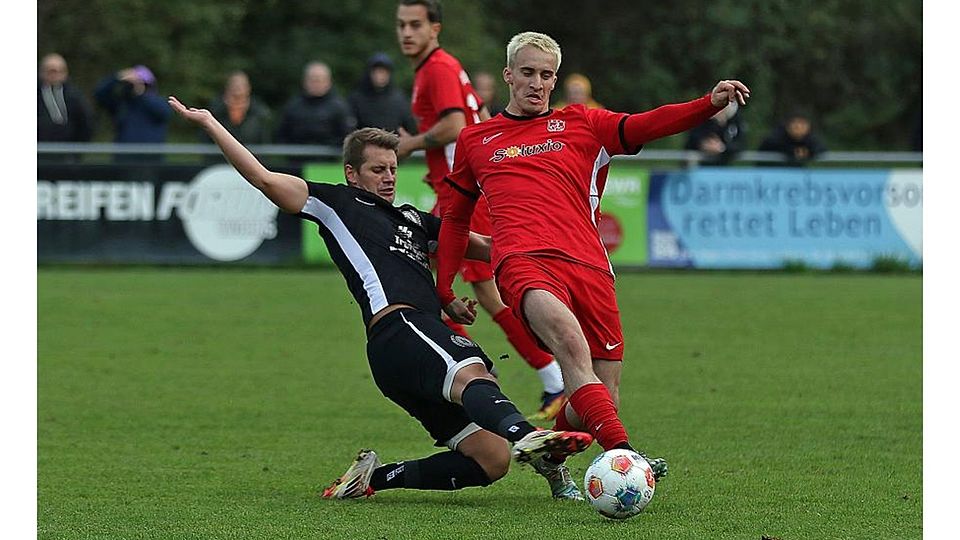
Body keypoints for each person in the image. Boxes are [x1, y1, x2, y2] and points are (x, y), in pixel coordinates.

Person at [167, 96, 594, 501]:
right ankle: (529, 437)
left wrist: (543, 240)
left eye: (392, 168)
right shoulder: (335, 202)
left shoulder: (411, 219)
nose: (389, 177)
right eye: (377, 169)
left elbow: (475, 242)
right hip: (399, 330)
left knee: (491, 460)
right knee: (473, 373)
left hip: (410, 345)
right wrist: (210, 123)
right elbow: (263, 178)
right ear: (353, 173)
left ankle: (373, 478)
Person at [434, 31, 751, 499]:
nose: (536, 83)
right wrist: (444, 290)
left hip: (590, 268)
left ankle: (552, 457)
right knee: (568, 343)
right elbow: (455, 220)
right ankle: (626, 457)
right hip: (522, 262)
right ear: (508, 75)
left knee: (599, 398)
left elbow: (648, 124)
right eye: (527, 72)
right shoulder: (478, 139)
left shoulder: (582, 123)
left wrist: (708, 103)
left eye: (546, 75)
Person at [396, 0, 568, 424]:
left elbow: (457, 125)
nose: (406, 33)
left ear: (435, 28)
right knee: (466, 288)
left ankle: (498, 372)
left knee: (444, 284)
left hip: (465, 193)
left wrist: (412, 144)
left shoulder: (437, 69)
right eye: (401, 25)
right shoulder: (437, 67)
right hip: (465, 187)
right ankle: (539, 373)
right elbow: (483, 118)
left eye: (415, 24)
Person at [275, 61, 356, 149]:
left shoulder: (340, 107)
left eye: (320, 80)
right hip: (298, 160)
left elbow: (347, 136)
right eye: (313, 80)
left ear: (329, 81)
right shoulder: (292, 106)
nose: (316, 84)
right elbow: (281, 134)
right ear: (305, 81)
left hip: (329, 160)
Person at [94, 64, 171, 144]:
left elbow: (164, 113)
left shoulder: (157, 102)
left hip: (150, 153)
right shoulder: (122, 104)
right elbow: (100, 94)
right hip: (124, 153)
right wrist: (117, 77)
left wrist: (141, 94)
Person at [348, 52, 418, 134]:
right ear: (369, 73)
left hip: (393, 144)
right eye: (377, 72)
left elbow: (409, 127)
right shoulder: (356, 99)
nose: (380, 76)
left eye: (384, 72)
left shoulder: (399, 99)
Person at [37, 53, 94, 144]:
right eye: (50, 71)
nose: (53, 75)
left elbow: (85, 122)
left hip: (68, 151)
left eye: (57, 71)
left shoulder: (74, 96)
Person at [205, 70, 272, 145]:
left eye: (241, 85)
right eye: (234, 84)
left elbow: (265, 139)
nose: (237, 88)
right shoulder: (215, 110)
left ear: (248, 88)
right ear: (227, 87)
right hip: (219, 154)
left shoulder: (259, 112)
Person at [684, 101, 745, 165]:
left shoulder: (735, 122)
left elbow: (740, 144)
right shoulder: (700, 119)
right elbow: (691, 139)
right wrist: (703, 144)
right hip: (697, 165)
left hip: (722, 167)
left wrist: (722, 148)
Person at [758, 111, 826, 166]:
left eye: (802, 125)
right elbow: (771, 144)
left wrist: (808, 153)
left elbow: (820, 148)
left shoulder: (810, 137)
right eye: (795, 125)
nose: (799, 128)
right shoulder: (777, 135)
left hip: (794, 172)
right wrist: (792, 151)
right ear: (788, 126)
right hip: (770, 170)